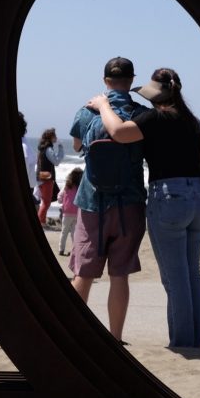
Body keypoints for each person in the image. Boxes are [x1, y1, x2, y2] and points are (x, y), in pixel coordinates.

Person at [89, 67, 200, 348]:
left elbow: (118, 132)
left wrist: (104, 104)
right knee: (193, 273)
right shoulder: (192, 121)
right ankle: (194, 340)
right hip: (198, 198)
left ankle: (182, 343)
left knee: (175, 277)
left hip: (169, 198)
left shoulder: (156, 118)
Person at [69, 56, 147, 344]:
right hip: (130, 203)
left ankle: (76, 335)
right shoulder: (140, 113)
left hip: (92, 201)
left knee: (84, 273)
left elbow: (78, 146)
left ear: (105, 81)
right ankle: (115, 336)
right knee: (119, 274)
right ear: (131, 80)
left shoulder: (85, 112)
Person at [35, 128, 64, 225]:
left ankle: (42, 221)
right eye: (55, 135)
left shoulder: (42, 148)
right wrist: (60, 147)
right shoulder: (48, 149)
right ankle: (40, 222)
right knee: (47, 202)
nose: (56, 137)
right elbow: (56, 161)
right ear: (51, 137)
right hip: (47, 178)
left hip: (40, 177)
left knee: (45, 201)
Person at [57, 167, 82, 256]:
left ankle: (61, 249)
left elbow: (59, 197)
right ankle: (74, 251)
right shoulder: (81, 187)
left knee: (64, 232)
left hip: (66, 212)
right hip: (77, 213)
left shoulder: (67, 186)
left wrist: (62, 203)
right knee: (74, 233)